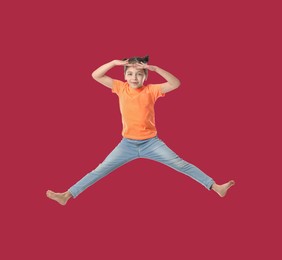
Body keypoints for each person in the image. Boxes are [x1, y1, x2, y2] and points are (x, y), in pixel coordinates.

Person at [46, 55, 235, 206]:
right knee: (100, 170)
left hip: (151, 143)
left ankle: (215, 186)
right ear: (125, 76)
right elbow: (95, 75)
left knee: (180, 164)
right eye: (130, 74)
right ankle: (67, 195)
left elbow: (175, 83)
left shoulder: (151, 90)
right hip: (127, 144)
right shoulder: (120, 88)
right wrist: (113, 62)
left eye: (139, 74)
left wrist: (156, 69)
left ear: (145, 76)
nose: (134, 78)